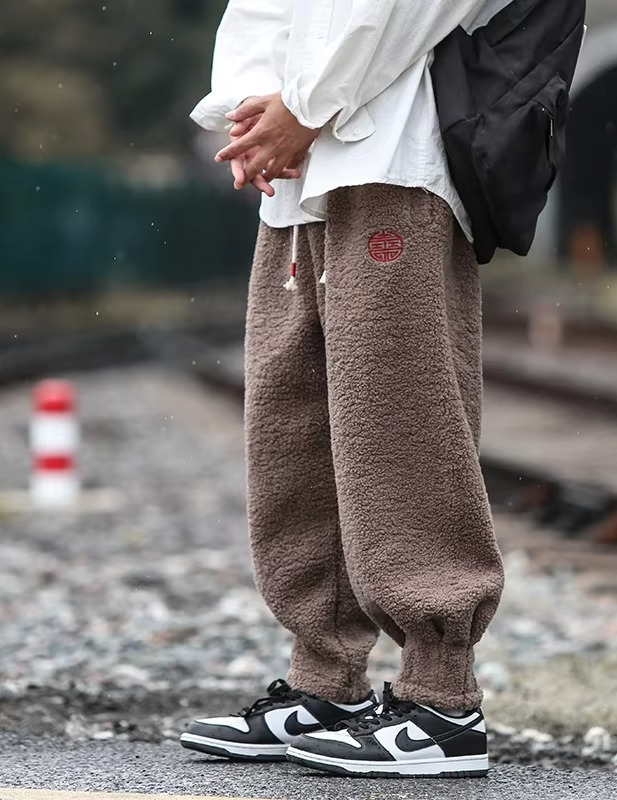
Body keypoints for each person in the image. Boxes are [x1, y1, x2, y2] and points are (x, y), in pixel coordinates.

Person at [180, 0, 510, 779]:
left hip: (396, 153)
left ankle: (442, 699)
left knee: (399, 418)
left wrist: (304, 105)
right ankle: (327, 681)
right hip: (298, 170)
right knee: (292, 420)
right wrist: (255, 117)